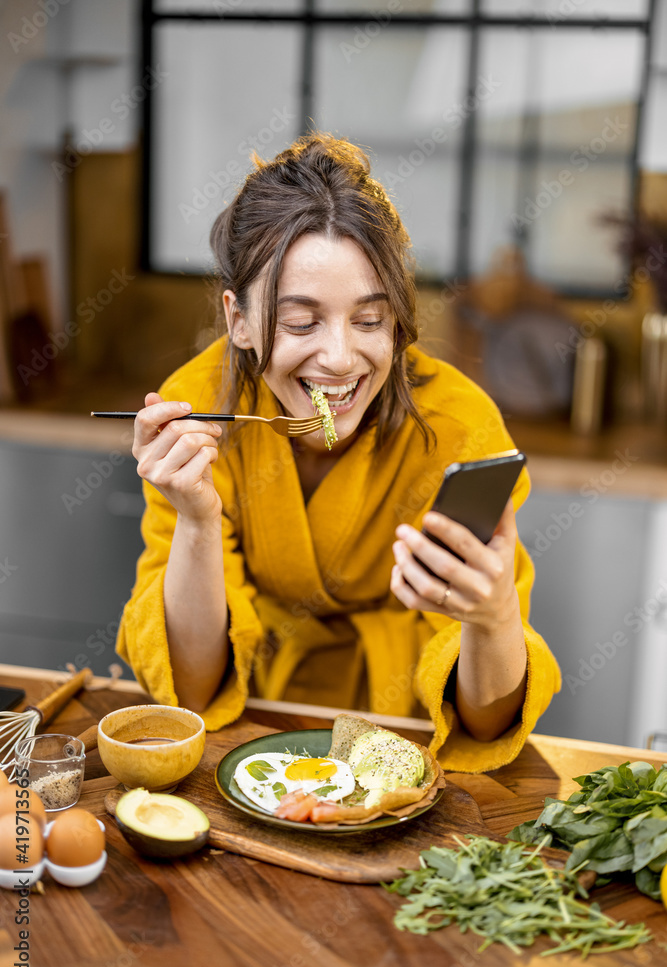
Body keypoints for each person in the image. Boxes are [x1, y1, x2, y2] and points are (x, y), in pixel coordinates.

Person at [117, 133, 560, 771]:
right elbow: (190, 692)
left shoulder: (459, 427)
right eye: (301, 323)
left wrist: (492, 619)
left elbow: (486, 725)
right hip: (245, 736)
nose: (341, 358)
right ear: (238, 319)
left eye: (370, 320)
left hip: (407, 737)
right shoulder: (195, 412)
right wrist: (195, 517)